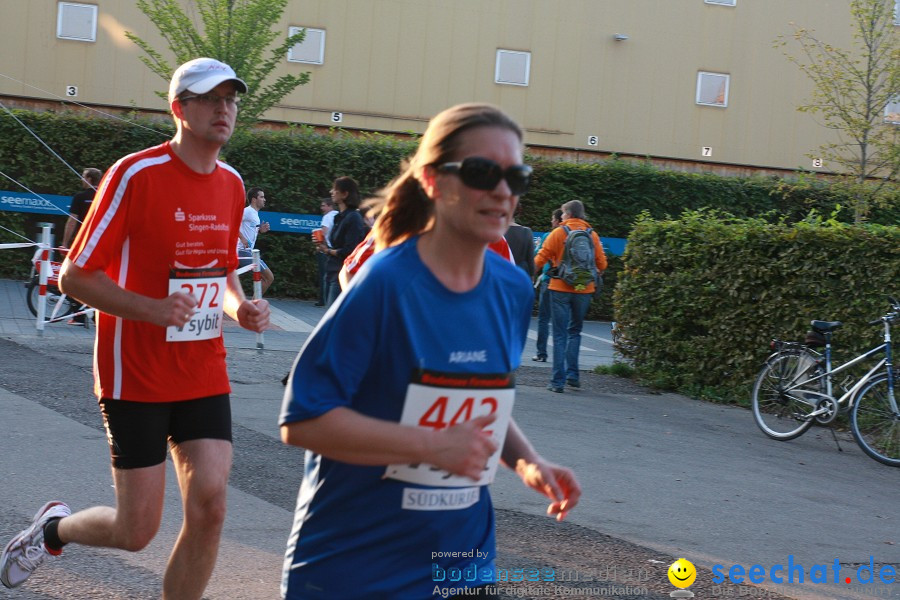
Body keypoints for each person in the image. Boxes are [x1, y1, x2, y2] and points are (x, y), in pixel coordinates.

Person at [279, 102, 581, 599]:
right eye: (484, 172)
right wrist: (431, 445)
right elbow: (302, 420)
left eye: (516, 177)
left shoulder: (511, 287)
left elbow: (479, 399)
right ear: (433, 180)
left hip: (460, 559)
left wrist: (527, 461)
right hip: (357, 566)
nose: (503, 191)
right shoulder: (386, 282)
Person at [0, 57, 270, 599]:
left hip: (201, 366)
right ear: (180, 109)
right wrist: (149, 309)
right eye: (211, 98)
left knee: (211, 506)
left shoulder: (232, 183)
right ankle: (50, 530)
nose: (224, 109)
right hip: (135, 372)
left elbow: (219, 273)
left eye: (232, 99)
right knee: (136, 530)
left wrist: (239, 307)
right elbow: (75, 276)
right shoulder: (134, 174)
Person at [534, 199, 607, 393]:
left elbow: (540, 258)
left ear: (567, 214)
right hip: (584, 290)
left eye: (564, 214)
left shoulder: (558, 233)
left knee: (559, 335)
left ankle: (557, 382)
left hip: (560, 288)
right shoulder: (592, 235)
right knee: (575, 331)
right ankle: (573, 375)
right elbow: (602, 264)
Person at [61, 167, 103, 324]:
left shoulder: (80, 197)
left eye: (83, 177)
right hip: (102, 243)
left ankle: (79, 315)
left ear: (89, 180)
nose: (81, 180)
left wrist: (65, 243)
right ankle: (94, 314)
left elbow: (72, 221)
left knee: (74, 276)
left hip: (83, 243)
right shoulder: (106, 195)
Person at [316, 176, 366, 308]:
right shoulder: (339, 217)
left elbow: (350, 251)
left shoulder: (353, 218)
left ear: (345, 194)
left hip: (342, 274)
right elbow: (338, 245)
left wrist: (328, 251)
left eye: (335, 189)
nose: (331, 192)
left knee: (332, 321)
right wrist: (323, 246)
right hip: (332, 272)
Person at [532, 208, 563, 362]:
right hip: (565, 283)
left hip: (548, 280)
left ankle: (541, 353)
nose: (551, 221)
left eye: (552, 218)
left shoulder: (548, 236)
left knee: (544, 318)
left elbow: (537, 256)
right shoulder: (570, 235)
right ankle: (562, 357)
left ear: (557, 220)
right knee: (561, 321)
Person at [237, 187, 274, 295]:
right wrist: (242, 238)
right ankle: (254, 305)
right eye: (261, 197)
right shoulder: (247, 211)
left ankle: (253, 304)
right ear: (254, 199)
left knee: (266, 277)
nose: (264, 199)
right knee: (269, 277)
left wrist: (260, 230)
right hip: (242, 252)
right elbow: (232, 224)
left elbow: (249, 231)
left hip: (246, 252)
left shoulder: (254, 214)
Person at [314, 197, 338, 306]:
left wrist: (320, 246)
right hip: (338, 249)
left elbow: (323, 233)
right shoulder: (339, 215)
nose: (321, 208)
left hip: (327, 249)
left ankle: (323, 300)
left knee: (324, 275)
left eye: (323, 205)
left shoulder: (327, 217)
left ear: (329, 206)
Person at [504, 211, 535, 277]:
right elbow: (530, 259)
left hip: (502, 275)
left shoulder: (496, 232)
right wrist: (532, 276)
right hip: (521, 275)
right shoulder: (526, 232)